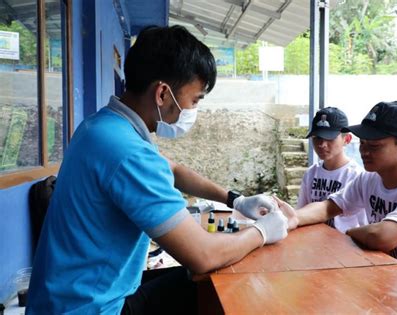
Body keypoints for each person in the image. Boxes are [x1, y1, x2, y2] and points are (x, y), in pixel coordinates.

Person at [26, 25, 288, 315]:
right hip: (90, 308)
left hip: (61, 300)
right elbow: (202, 254)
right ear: (162, 93)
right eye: (195, 99)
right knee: (215, 280)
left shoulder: (102, 127)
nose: (192, 109)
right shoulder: (127, 152)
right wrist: (262, 232)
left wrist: (235, 200)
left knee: (194, 281)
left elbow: (172, 169)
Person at [275, 101, 397, 278]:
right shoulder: (369, 178)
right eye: (362, 143)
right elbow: (328, 207)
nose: (364, 152)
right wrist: (295, 218)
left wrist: (350, 233)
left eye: (374, 146)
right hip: (395, 275)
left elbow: (382, 236)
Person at [297, 107, 367, 233]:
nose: (322, 144)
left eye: (329, 138)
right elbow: (301, 212)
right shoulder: (311, 173)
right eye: (317, 138)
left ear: (347, 139)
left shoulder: (357, 176)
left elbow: (365, 223)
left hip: (345, 245)